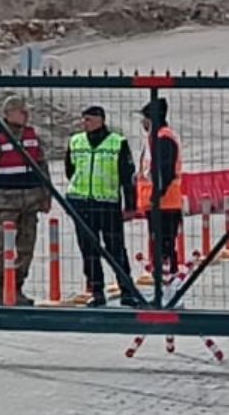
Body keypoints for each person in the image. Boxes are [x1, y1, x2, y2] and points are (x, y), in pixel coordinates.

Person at [64, 105, 145, 308]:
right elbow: (69, 169)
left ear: (100, 120)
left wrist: (130, 205)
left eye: (88, 120)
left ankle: (127, 291)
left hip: (107, 204)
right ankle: (96, 291)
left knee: (116, 249)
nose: (84, 123)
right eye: (83, 120)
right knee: (88, 251)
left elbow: (128, 176)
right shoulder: (76, 141)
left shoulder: (117, 143)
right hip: (81, 203)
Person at [0, 94, 49, 304]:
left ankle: (17, 288)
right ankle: (0, 291)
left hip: (30, 203)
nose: (27, 115)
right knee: (2, 249)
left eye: (27, 111)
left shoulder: (32, 136)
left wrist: (46, 195)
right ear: (9, 114)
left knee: (26, 248)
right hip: (4, 205)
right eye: (22, 111)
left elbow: (42, 166)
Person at [138, 98, 185, 279]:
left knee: (164, 243)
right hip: (158, 201)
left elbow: (165, 171)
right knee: (160, 241)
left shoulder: (164, 139)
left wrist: (157, 194)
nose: (142, 123)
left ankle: (168, 277)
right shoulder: (155, 137)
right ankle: (164, 273)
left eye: (145, 119)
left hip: (165, 202)